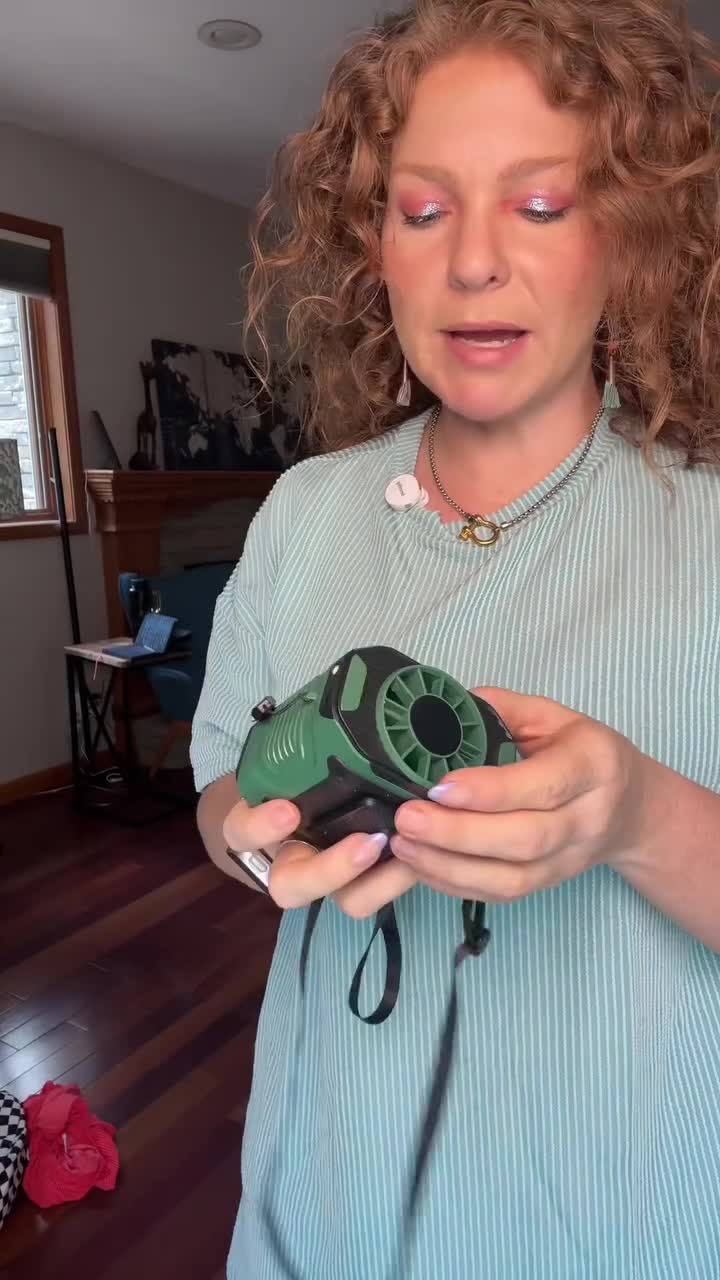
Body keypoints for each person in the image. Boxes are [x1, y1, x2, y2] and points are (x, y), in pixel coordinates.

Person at [191, 1, 720, 1275]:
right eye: (424, 210)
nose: (474, 261)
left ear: (627, 235)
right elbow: (219, 794)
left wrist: (636, 817)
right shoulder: (302, 513)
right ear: (375, 243)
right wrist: (263, 840)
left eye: (540, 205)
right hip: (316, 1218)